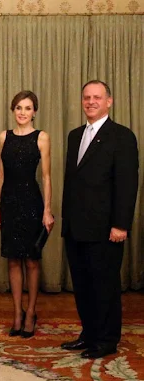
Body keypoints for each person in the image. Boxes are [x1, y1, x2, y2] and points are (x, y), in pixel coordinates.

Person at [61, 80, 138, 359]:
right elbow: (72, 183)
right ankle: (89, 334)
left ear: (109, 101)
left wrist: (121, 224)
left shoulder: (122, 137)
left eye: (97, 97)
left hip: (106, 228)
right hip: (76, 227)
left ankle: (106, 341)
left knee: (104, 286)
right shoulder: (74, 135)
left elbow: (127, 184)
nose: (90, 101)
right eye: (86, 97)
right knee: (82, 286)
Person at [0, 91, 54, 338]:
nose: (22, 112)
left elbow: (47, 177)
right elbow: (0, 174)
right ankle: (17, 313)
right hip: (8, 202)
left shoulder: (42, 138)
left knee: (31, 260)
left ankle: (30, 313)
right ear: (13, 110)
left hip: (32, 203)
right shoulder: (3, 137)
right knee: (13, 260)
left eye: (27, 108)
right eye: (18, 108)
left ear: (34, 112)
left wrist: (47, 210)